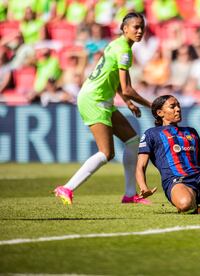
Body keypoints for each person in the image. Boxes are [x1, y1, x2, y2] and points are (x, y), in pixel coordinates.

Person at [54, 12, 155, 205]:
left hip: (100, 98)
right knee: (107, 153)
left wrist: (128, 103)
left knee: (133, 141)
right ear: (124, 29)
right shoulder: (124, 50)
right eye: (136, 27)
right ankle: (66, 188)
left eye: (142, 27)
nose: (140, 31)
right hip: (95, 99)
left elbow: (115, 81)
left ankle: (129, 195)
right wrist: (152, 105)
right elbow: (127, 88)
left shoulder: (117, 45)